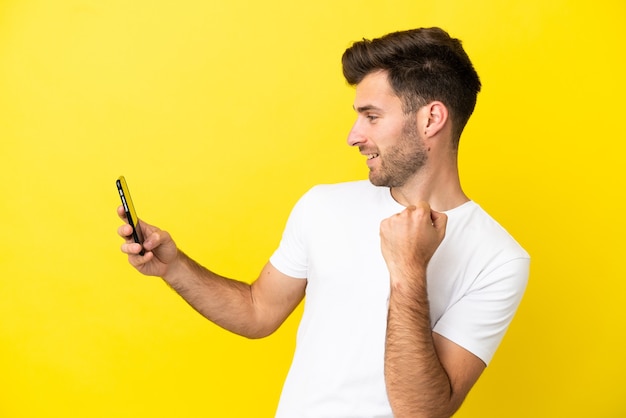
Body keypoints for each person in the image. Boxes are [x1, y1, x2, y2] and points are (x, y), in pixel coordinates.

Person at [117, 27, 530, 418]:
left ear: (430, 119)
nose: (353, 135)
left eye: (371, 116)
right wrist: (173, 267)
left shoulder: (499, 259)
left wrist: (408, 270)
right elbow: (259, 311)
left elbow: (421, 410)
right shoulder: (323, 206)